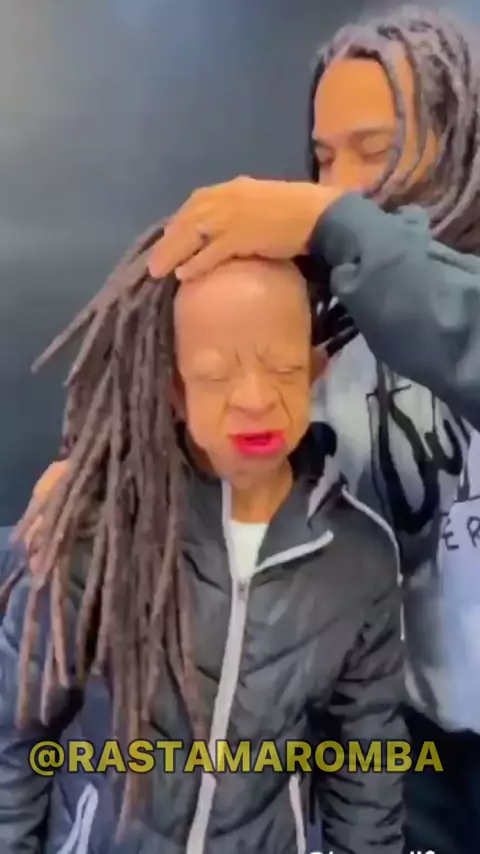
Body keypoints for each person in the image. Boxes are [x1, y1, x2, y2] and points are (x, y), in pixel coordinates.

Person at [147, 6, 480, 853]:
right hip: (406, 750)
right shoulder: (321, 333)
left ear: (459, 133)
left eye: (376, 148)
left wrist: (341, 227)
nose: (342, 185)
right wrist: (104, 492)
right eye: (325, 159)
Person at [0, 232, 404, 853]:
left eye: (283, 368)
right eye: (215, 374)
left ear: (315, 370)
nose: (255, 399)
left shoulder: (359, 557)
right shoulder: (93, 532)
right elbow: (14, 739)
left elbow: (366, 771)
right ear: (173, 389)